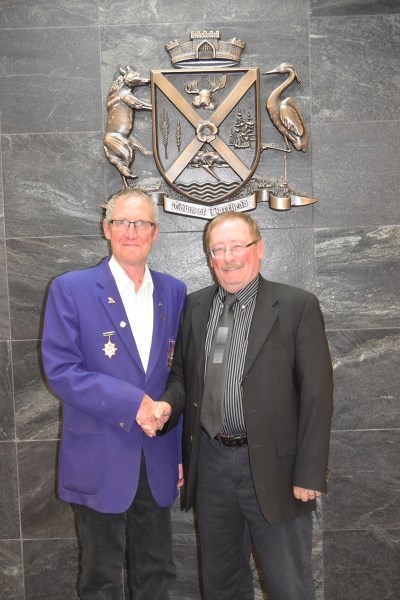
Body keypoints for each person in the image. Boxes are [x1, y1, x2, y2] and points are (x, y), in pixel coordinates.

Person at [157, 211, 334, 600]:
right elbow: (185, 380)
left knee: (289, 585)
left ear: (259, 249)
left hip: (278, 469)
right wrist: (171, 420)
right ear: (209, 258)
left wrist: (309, 471)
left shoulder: (296, 306)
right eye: (218, 249)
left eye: (237, 246)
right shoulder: (196, 307)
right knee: (221, 586)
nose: (228, 257)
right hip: (213, 466)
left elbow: (317, 394)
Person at [41, 188, 186, 600]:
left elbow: (180, 374)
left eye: (141, 223)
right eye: (122, 222)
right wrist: (133, 404)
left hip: (157, 458)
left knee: (158, 574)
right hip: (98, 457)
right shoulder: (71, 288)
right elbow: (62, 370)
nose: (131, 231)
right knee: (100, 578)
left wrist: (179, 451)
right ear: (106, 229)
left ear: (155, 233)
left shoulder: (174, 292)